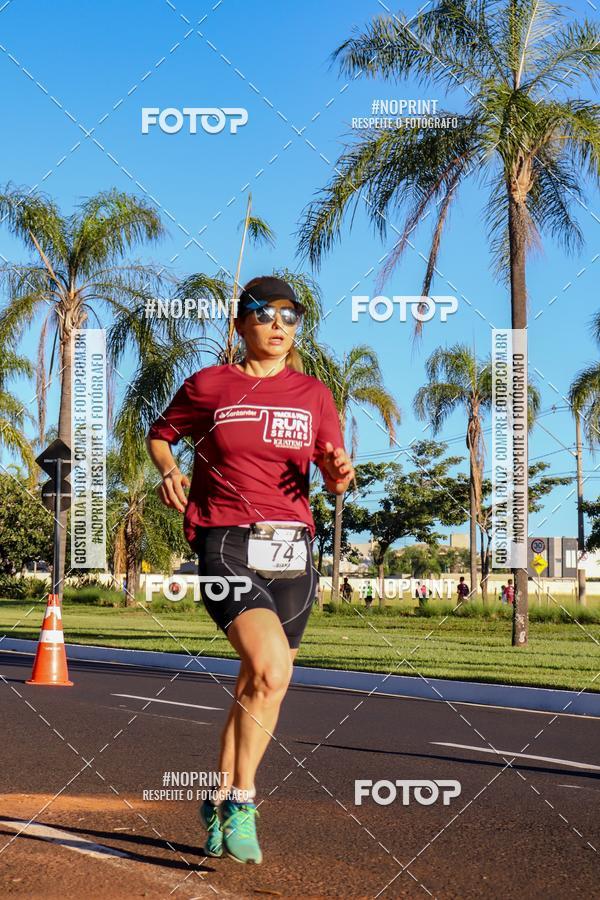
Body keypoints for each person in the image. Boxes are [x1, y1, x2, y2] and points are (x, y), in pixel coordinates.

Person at [146, 275, 353, 865]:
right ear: (240, 324)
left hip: (293, 551)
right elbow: (160, 435)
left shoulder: (314, 394)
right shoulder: (211, 385)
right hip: (226, 542)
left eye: (290, 315)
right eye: (265, 314)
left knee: (258, 684)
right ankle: (242, 800)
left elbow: (336, 477)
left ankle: (215, 799)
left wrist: (339, 472)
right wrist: (169, 469)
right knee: (270, 668)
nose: (278, 325)